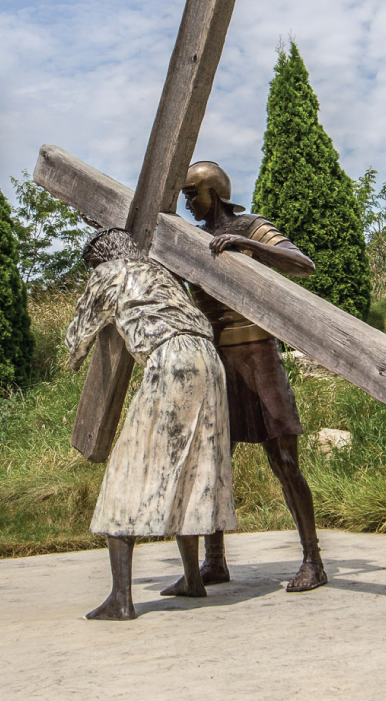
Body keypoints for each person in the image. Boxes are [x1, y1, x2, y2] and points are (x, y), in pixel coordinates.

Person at [65, 227, 236, 620]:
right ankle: (192, 578)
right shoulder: (163, 273)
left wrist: (75, 352)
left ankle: (120, 598)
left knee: (128, 471)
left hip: (170, 358)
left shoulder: (108, 274)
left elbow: (77, 338)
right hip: (209, 361)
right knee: (191, 468)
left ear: (100, 258)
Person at [181, 160, 327, 592]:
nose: (188, 202)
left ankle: (313, 560)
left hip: (258, 352)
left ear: (216, 193)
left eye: (194, 194)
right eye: (185, 195)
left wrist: (250, 248)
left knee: (283, 460)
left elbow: (303, 264)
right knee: (211, 462)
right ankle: (215, 561)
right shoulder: (187, 238)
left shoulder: (248, 225)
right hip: (214, 357)